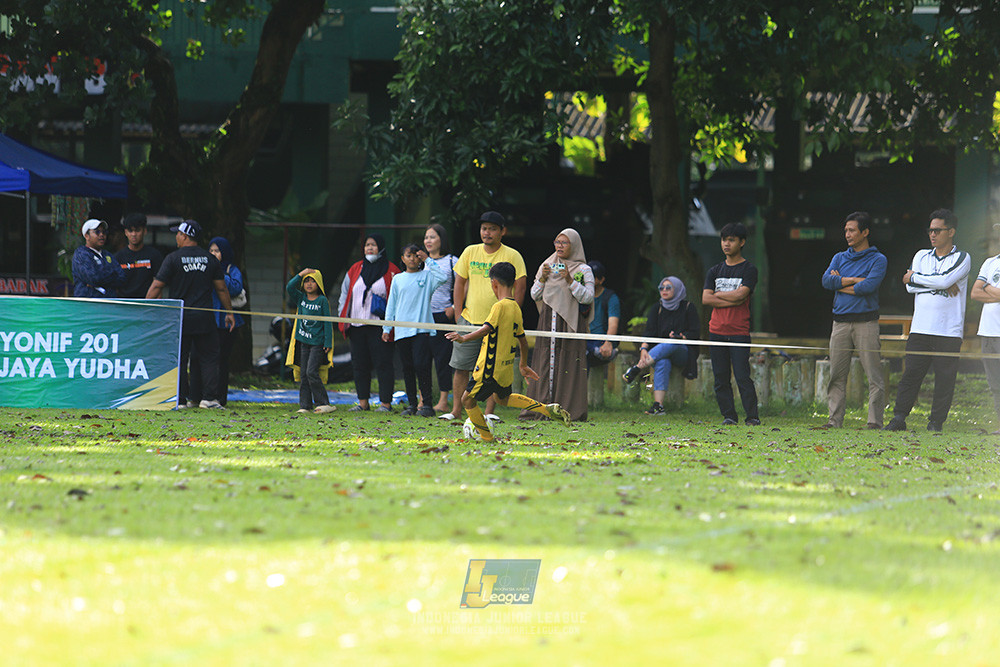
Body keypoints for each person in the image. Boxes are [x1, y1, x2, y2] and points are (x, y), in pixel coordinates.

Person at [445, 262, 570, 442]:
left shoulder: (499, 306)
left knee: (467, 400)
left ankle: (487, 437)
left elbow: (486, 329)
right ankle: (545, 409)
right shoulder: (515, 307)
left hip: (489, 367)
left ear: (494, 283)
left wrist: (464, 338)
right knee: (502, 399)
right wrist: (523, 364)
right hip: (505, 368)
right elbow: (522, 340)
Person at [885, 209, 971, 432]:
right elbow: (910, 286)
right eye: (930, 230)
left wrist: (919, 278)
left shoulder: (962, 257)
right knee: (911, 374)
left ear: (951, 232)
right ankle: (899, 418)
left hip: (949, 330)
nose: (932, 234)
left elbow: (936, 281)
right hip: (920, 328)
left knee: (945, 379)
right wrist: (939, 282)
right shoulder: (921, 255)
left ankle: (936, 423)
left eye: (938, 230)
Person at [446, 211, 527, 422]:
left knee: (493, 370)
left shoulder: (513, 255)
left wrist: (512, 315)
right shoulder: (470, 251)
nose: (487, 232)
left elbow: (520, 287)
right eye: (484, 228)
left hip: (499, 323)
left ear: (503, 231)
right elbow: (459, 283)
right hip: (469, 319)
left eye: (492, 229)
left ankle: (489, 412)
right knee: (461, 367)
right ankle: (456, 411)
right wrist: (458, 315)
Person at [146, 220, 235, 409]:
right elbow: (221, 289)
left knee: (179, 358)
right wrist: (229, 312)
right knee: (209, 358)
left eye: (178, 234)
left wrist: (145, 309)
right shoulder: (209, 259)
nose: (176, 237)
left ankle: (179, 400)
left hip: (180, 318)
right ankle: (209, 399)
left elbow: (157, 286)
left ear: (184, 236)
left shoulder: (173, 258)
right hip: (204, 317)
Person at [820, 212, 888, 429]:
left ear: (865, 232)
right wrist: (852, 280)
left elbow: (868, 287)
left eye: (852, 230)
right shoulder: (839, 257)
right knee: (836, 375)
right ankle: (834, 420)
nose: (847, 234)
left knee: (874, 375)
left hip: (866, 323)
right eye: (846, 230)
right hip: (839, 323)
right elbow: (826, 281)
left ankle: (874, 422)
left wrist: (839, 283)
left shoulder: (878, 259)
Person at [523, 228, 594, 421]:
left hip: (570, 323)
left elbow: (588, 297)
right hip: (548, 321)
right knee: (545, 360)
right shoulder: (547, 264)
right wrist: (542, 278)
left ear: (574, 245)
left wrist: (570, 280)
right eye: (557, 242)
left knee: (569, 361)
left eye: (564, 243)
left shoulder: (583, 270)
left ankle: (567, 408)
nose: (559, 246)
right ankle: (541, 407)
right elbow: (534, 294)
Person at [702, 222, 761, 426]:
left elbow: (741, 295)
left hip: (739, 332)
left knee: (743, 376)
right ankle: (729, 416)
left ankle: (752, 417)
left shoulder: (749, 269)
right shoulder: (714, 270)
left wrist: (718, 294)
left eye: (731, 240)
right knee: (720, 377)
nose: (726, 244)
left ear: (742, 242)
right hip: (716, 330)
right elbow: (706, 299)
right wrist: (732, 298)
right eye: (723, 240)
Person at [382, 244, 448, 416]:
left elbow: (442, 277)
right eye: (408, 255)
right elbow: (391, 305)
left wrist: (428, 260)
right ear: (402, 259)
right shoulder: (398, 279)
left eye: (416, 255)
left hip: (421, 329)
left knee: (422, 365)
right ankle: (412, 405)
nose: (412, 259)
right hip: (402, 330)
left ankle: (426, 405)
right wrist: (387, 328)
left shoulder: (427, 276)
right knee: (407, 367)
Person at [338, 234, 400, 412]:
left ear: (381, 247)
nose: (370, 248)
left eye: (373, 245)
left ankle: (385, 403)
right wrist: (343, 317)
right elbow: (345, 294)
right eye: (367, 245)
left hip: (380, 327)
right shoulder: (355, 269)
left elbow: (398, 298)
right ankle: (362, 402)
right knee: (359, 365)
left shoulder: (392, 270)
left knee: (383, 364)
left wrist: (391, 324)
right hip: (356, 326)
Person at [622, 276, 700, 415]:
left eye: (668, 287)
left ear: (677, 289)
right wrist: (643, 349)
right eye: (661, 288)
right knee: (663, 362)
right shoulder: (656, 308)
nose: (664, 290)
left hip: (683, 352)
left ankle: (637, 368)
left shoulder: (689, 307)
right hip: (659, 353)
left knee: (672, 342)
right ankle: (658, 406)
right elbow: (649, 332)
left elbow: (695, 332)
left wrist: (680, 336)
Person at [189, 237, 245, 407]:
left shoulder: (231, 269)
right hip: (204, 320)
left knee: (220, 360)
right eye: (211, 251)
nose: (213, 254)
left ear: (224, 253)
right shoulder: (203, 268)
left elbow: (235, 288)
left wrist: (219, 273)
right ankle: (195, 396)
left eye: (217, 251)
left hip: (225, 323)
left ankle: (218, 398)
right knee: (196, 358)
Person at [286, 268, 335, 414]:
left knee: (311, 372)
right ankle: (305, 405)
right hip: (303, 342)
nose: (309, 284)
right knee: (303, 374)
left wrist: (328, 342)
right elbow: (289, 287)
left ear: (318, 283)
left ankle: (323, 403)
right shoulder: (301, 298)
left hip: (317, 344)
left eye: (313, 281)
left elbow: (327, 322)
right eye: (306, 281)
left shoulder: (322, 301)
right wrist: (301, 273)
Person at [423, 223, 459, 414]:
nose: (428, 241)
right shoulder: (420, 261)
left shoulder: (452, 261)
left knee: (442, 359)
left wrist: (453, 307)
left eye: (432, 237)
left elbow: (464, 286)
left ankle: (444, 401)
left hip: (443, 316)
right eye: (426, 237)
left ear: (441, 239)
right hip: (421, 316)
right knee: (421, 358)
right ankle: (423, 399)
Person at [971, 249, 1000, 434]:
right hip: (988, 331)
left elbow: (982, 289)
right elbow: (975, 293)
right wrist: (995, 292)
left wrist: (987, 286)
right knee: (995, 383)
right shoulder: (990, 262)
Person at [72, 218, 125, 298]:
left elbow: (121, 278)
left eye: (104, 232)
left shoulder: (107, 255)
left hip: (108, 302)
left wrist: (99, 280)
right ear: (87, 236)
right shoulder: (81, 254)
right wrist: (112, 275)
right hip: (88, 303)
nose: (101, 235)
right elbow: (94, 278)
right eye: (97, 232)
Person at [115, 212, 163, 299]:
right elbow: (114, 286)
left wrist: (156, 305)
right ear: (126, 232)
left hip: (146, 303)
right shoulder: (118, 257)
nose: (134, 234)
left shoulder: (154, 255)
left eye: (137, 230)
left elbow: (158, 287)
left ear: (144, 231)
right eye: (130, 231)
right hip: (124, 303)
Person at [586, 260, 620, 367]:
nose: (589, 280)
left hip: (600, 340)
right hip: (584, 338)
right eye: (587, 277)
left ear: (601, 280)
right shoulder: (581, 295)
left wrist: (608, 342)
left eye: (593, 277)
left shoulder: (611, 297)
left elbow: (613, 324)